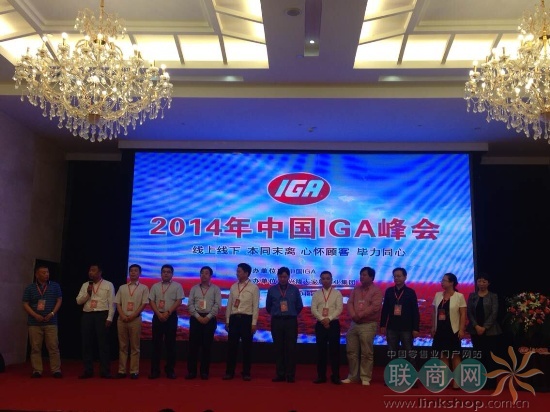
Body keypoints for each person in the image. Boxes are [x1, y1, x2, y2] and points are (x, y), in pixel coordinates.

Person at [342, 266, 383, 386]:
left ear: (372, 277)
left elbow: (375, 307)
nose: (362, 277)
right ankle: (353, 376)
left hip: (368, 324)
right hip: (354, 323)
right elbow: (350, 302)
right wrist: (353, 315)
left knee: (366, 352)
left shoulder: (376, 291)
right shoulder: (356, 289)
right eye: (361, 274)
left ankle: (365, 377)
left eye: (364, 275)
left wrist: (360, 315)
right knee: (351, 351)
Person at [76, 263, 116, 379]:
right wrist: (87, 294)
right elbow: (78, 301)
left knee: (103, 344)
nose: (90, 272)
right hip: (87, 315)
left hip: (102, 314)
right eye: (90, 270)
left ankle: (105, 371)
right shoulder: (85, 285)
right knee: (86, 343)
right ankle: (88, 370)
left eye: (93, 270)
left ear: (100, 272)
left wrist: (110, 318)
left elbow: (112, 302)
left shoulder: (108, 284)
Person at [22, 265, 63, 378]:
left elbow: (59, 300)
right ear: (37, 274)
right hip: (34, 322)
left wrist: (52, 313)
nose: (46, 274)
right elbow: (25, 303)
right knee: (35, 347)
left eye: (47, 272)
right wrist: (35, 315)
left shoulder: (55, 286)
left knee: (53, 346)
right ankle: (37, 370)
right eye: (43, 272)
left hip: (51, 321)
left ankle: (56, 370)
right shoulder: (30, 288)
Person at [266, 266, 304, 383]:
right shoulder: (272, 290)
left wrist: (290, 314)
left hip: (290, 321)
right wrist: (277, 314)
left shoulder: (294, 290)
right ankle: (280, 374)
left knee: (291, 348)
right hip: (277, 321)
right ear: (278, 277)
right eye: (281, 276)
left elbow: (299, 306)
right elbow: (268, 307)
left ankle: (290, 374)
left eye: (285, 277)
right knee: (278, 348)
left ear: (288, 277)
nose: (283, 279)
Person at [223, 263, 259, 381]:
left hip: (246, 320)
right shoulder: (233, 286)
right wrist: (227, 320)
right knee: (231, 347)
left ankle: (246, 372)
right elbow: (229, 304)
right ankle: (229, 372)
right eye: (237, 271)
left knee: (246, 348)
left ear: (246, 273)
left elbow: (255, 307)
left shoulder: (254, 288)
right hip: (234, 319)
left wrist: (254, 323)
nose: (237, 273)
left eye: (239, 271)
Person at [148, 264, 184, 379]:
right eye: (164, 272)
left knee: (170, 344)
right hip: (157, 316)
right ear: (161, 273)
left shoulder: (177, 286)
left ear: (172, 274)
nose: (166, 274)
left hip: (171, 317)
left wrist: (168, 313)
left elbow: (179, 301)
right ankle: (155, 370)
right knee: (156, 344)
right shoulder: (155, 286)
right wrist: (159, 314)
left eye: (168, 272)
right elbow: (151, 301)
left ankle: (170, 370)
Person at [186, 266, 221, 380]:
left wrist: (208, 317)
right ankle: (192, 371)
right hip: (196, 319)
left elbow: (217, 305)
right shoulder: (194, 288)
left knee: (207, 347)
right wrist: (198, 317)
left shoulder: (215, 289)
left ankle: (204, 372)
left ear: (210, 276)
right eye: (202, 273)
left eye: (206, 273)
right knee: (193, 347)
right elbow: (190, 304)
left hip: (209, 320)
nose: (204, 275)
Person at [432, 272, 467, 388]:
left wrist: (461, 329)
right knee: (443, 355)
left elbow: (463, 314)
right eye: (441, 280)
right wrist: (433, 327)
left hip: (453, 330)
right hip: (440, 330)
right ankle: (445, 380)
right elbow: (434, 312)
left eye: (444, 280)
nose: (441, 282)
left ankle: (457, 381)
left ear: (451, 282)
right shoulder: (438, 295)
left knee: (455, 355)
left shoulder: (459, 296)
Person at [114, 264, 149, 379]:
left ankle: (134, 371)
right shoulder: (122, 287)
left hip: (135, 319)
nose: (133, 272)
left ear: (140, 273)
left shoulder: (144, 288)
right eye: (131, 271)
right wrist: (122, 315)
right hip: (122, 319)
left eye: (135, 271)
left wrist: (133, 316)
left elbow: (143, 304)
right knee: (122, 346)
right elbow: (117, 303)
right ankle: (122, 370)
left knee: (135, 347)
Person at [380, 267, 420, 365]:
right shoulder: (389, 291)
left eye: (399, 276)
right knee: (392, 353)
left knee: (409, 352)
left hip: (407, 328)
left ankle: (411, 372)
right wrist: (382, 324)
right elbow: (385, 309)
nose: (396, 278)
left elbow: (415, 311)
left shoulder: (410, 292)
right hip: (392, 327)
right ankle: (393, 372)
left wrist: (416, 328)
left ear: (405, 277)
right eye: (394, 276)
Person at [466, 273, 502, 380]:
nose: (481, 284)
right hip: (475, 330)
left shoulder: (493, 296)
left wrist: (484, 327)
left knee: (490, 355)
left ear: (488, 283)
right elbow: (469, 312)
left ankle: (490, 380)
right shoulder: (472, 296)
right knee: (478, 354)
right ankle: (479, 379)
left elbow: (494, 313)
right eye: (479, 281)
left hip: (490, 331)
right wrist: (476, 326)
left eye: (484, 281)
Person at [311, 270, 343, 385]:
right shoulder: (316, 294)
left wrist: (328, 319)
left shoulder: (337, 293)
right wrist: (322, 319)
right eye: (323, 278)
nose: (325, 280)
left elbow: (339, 309)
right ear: (320, 280)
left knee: (335, 351)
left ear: (331, 280)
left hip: (333, 324)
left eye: (328, 278)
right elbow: (313, 309)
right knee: (321, 351)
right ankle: (321, 376)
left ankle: (335, 376)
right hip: (320, 324)